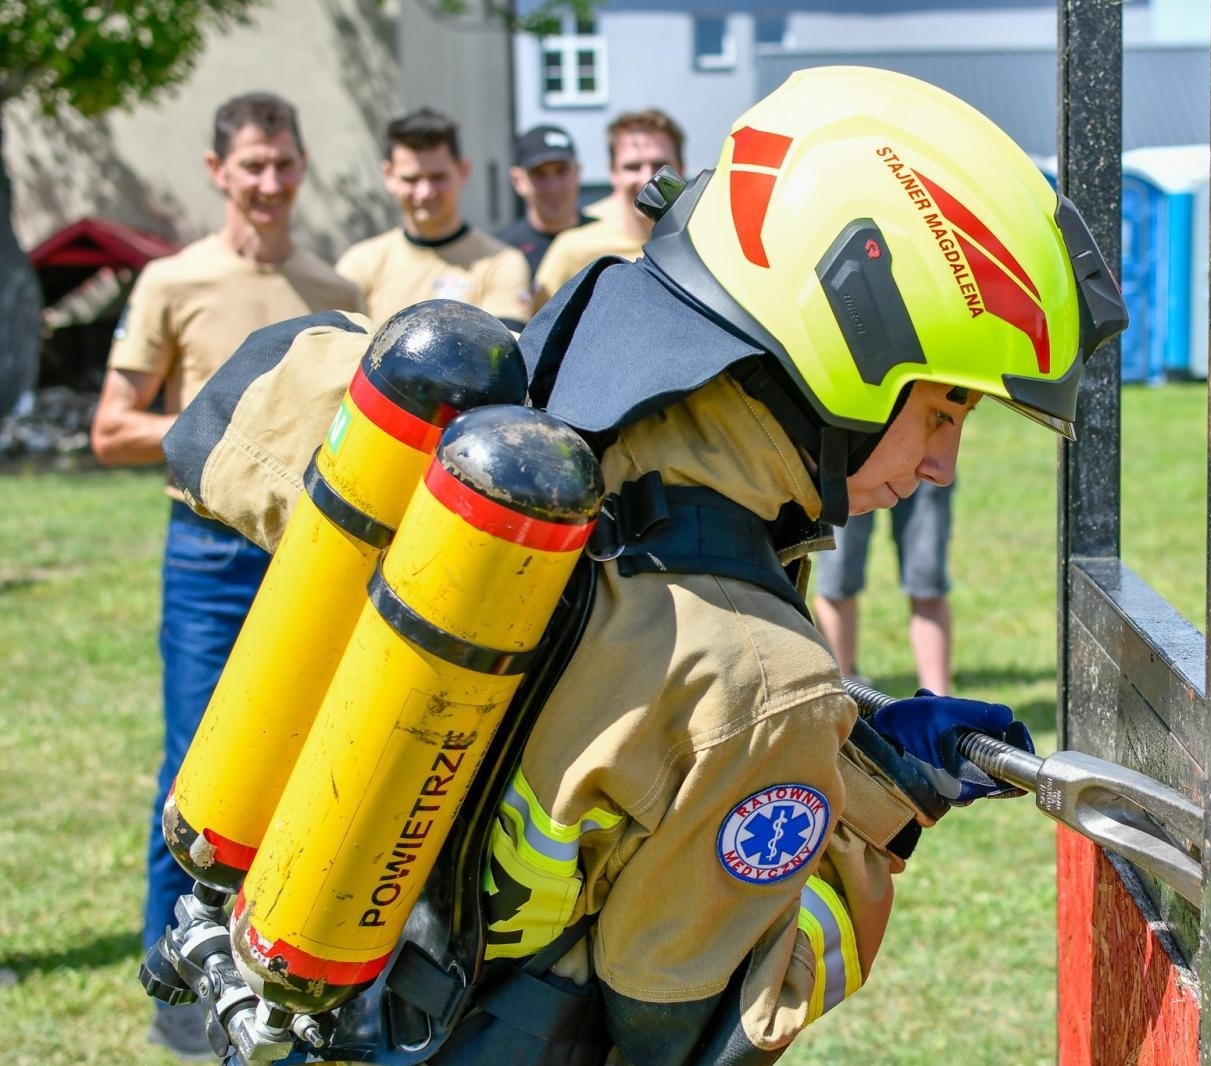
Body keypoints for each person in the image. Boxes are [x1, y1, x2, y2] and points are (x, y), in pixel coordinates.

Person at [158, 66, 1126, 1062]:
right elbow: (701, 1027)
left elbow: (228, 414)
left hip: (313, 993)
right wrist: (875, 800)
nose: (941, 461)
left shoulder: (505, 442)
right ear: (852, 346)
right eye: (945, 407)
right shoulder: (761, 679)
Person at [87, 91, 361, 1057]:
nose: (271, 182)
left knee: (305, 770)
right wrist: (235, 430)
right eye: (252, 164)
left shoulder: (334, 283)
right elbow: (112, 429)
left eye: (284, 162)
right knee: (197, 769)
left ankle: (270, 973)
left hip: (312, 558)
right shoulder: (172, 279)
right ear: (218, 171)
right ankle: (175, 979)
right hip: (208, 553)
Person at [338, 107, 533, 328]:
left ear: (463, 171)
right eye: (411, 179)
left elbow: (501, 352)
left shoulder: (501, 262)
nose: (425, 192)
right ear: (389, 176)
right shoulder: (359, 263)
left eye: (437, 177)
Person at [530, 107, 685, 311]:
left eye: (659, 165)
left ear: (681, 168)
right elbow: (538, 331)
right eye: (632, 167)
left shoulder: (705, 245)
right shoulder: (573, 249)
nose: (647, 177)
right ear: (613, 172)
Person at [813, 482, 957, 693]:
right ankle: (839, 696)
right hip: (844, 464)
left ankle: (938, 705)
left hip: (921, 460)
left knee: (928, 586)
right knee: (837, 582)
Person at [495, 123, 586, 279]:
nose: (553, 187)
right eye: (539, 174)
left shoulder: (605, 239)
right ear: (518, 181)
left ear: (577, 173)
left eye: (561, 171)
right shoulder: (500, 251)